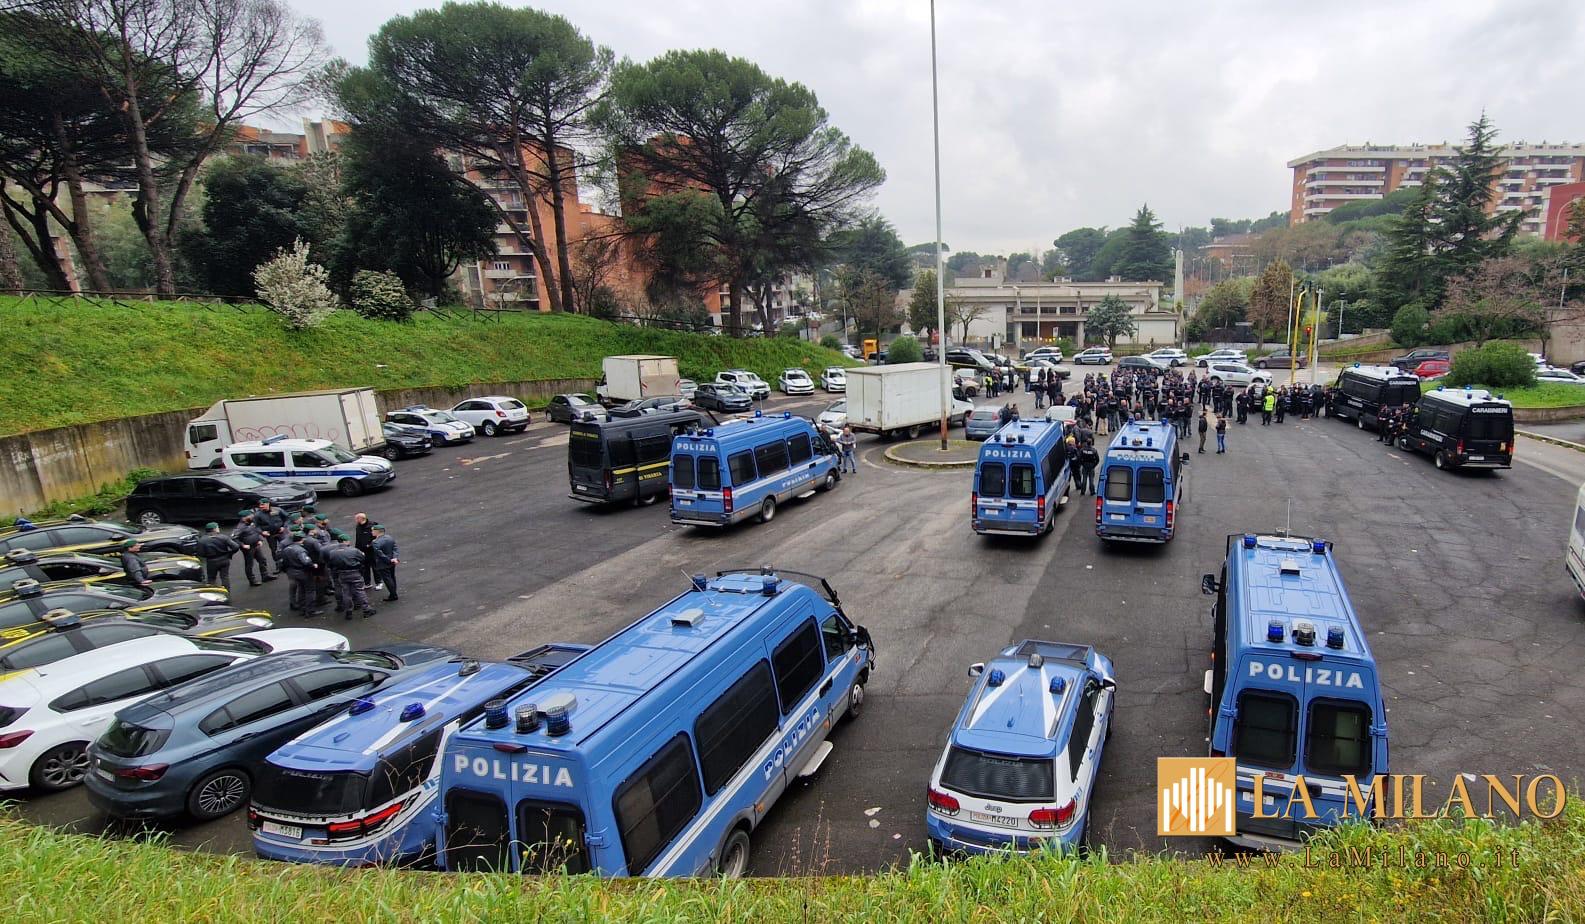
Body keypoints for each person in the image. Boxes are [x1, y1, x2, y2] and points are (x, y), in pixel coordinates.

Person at [324, 530, 374, 619]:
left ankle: (349, 611)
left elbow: (330, 565)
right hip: (354, 573)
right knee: (359, 591)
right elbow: (362, 559)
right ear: (346, 541)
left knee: (346, 593)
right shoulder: (353, 551)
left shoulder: (332, 553)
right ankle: (366, 609)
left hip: (342, 574)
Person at [278, 530, 319, 617]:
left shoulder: (286, 549)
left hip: (291, 572)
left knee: (301, 590)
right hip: (302, 572)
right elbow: (306, 562)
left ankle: (302, 609)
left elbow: (282, 561)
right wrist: (313, 565)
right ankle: (310, 611)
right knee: (310, 591)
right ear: (301, 539)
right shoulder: (300, 550)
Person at [231, 512, 275, 587]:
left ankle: (265, 576)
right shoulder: (240, 527)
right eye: (250, 516)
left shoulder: (252, 523)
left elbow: (257, 531)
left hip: (256, 545)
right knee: (249, 564)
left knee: (262, 559)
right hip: (248, 548)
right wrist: (243, 545)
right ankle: (252, 580)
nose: (252, 517)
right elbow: (234, 538)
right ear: (244, 518)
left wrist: (260, 539)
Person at [195, 522, 239, 593]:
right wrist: (229, 554)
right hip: (224, 559)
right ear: (214, 529)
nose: (219, 529)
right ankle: (227, 592)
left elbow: (200, 553)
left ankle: (213, 593)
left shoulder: (202, 540)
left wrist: (207, 556)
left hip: (211, 561)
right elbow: (236, 546)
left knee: (211, 579)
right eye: (217, 527)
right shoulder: (223, 537)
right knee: (225, 577)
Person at [252, 500, 288, 575]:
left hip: (281, 532)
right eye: (260, 505)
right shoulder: (258, 514)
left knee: (285, 547)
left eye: (263, 505)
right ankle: (278, 565)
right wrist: (262, 532)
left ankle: (288, 563)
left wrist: (283, 527)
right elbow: (255, 526)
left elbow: (286, 518)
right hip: (270, 535)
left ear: (268, 504)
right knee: (274, 550)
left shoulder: (278, 510)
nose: (261, 506)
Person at [370, 523, 399, 602]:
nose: (371, 532)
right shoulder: (389, 538)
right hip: (392, 561)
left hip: (383, 563)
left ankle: (393, 594)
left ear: (377, 531)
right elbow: (395, 548)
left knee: (387, 579)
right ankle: (393, 592)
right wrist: (394, 558)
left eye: (372, 531)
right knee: (392, 577)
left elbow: (380, 554)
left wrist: (388, 560)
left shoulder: (375, 542)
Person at [353, 512, 376, 589]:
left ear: (361, 518)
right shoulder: (358, 526)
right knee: (365, 568)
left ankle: (378, 582)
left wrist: (370, 544)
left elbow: (376, 537)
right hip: (362, 551)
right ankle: (367, 583)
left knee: (375, 566)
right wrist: (357, 549)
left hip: (372, 551)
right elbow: (358, 538)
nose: (355, 520)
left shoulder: (372, 525)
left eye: (356, 518)